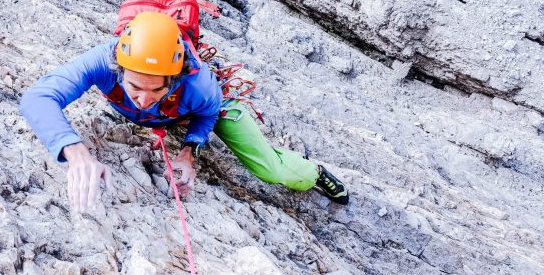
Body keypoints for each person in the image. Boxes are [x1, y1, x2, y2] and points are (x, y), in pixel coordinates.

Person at [20, 11, 349, 212]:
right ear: (118, 69)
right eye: (134, 87)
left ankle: (313, 173)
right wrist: (74, 151)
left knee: (273, 171)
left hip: (206, 108)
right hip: (169, 111)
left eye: (156, 89)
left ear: (175, 78)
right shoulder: (104, 60)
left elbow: (209, 111)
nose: (144, 99)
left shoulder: (198, 85)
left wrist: (189, 150)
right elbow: (38, 97)